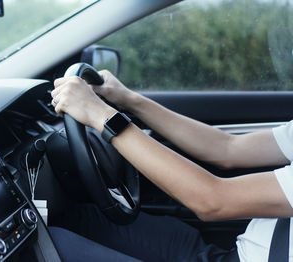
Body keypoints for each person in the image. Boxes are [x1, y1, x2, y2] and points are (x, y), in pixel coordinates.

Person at [48, 70, 293, 262]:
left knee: (54, 246)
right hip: (233, 253)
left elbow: (215, 201)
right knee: (79, 221)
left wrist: (100, 115)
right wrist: (128, 99)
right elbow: (227, 148)